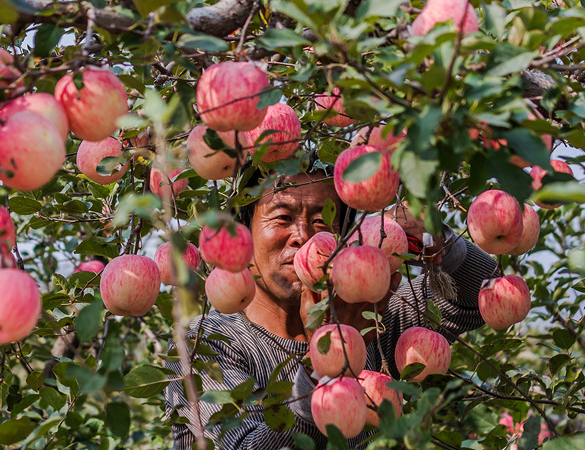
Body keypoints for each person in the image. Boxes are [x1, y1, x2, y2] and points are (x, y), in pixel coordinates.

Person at [164, 167, 498, 449]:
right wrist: (326, 359)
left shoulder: (373, 320)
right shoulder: (205, 343)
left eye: (323, 222)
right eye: (282, 217)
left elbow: (479, 298)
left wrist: (437, 242)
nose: (303, 235)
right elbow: (246, 445)